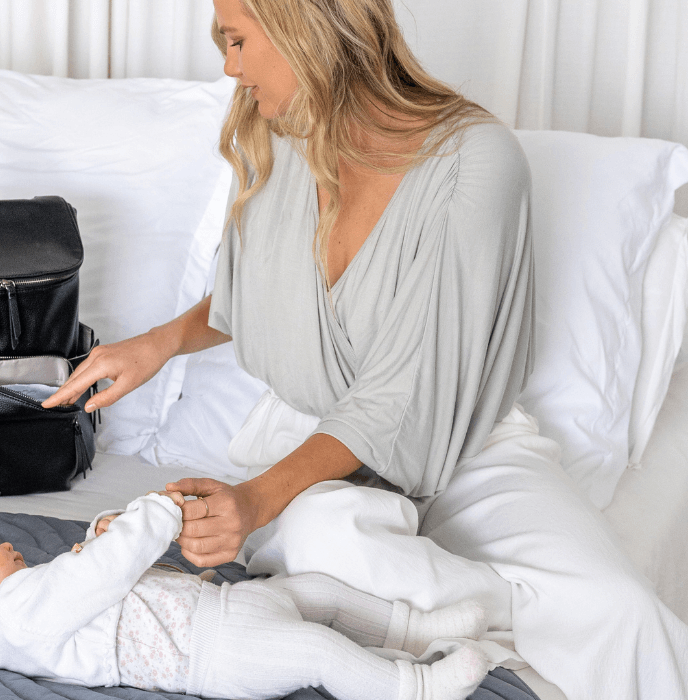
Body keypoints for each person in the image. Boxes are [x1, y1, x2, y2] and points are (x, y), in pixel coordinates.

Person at [40, 1, 688, 699]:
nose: (228, 65)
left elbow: (408, 390)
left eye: (235, 41)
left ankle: (505, 618)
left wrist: (254, 503)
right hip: (313, 444)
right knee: (328, 542)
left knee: (622, 609)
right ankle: (523, 619)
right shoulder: (275, 142)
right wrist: (159, 344)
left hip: (466, 444)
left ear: (302, 29)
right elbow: (253, 296)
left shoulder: (475, 161)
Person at [0, 492, 492, 700]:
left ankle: (410, 627)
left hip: (221, 612)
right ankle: (412, 689)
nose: (3, 544)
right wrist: (156, 513)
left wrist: (99, 532)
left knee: (317, 593)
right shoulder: (17, 613)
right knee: (316, 648)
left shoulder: (30, 607)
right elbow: (101, 577)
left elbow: (87, 573)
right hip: (213, 649)